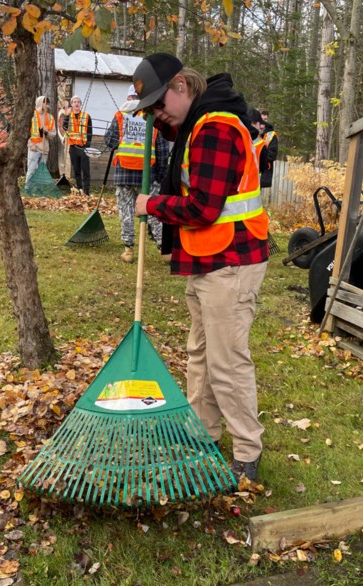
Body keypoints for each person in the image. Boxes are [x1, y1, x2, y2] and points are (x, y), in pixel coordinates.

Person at [132, 53, 270, 482]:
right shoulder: (196, 125)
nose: (157, 115)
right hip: (207, 260)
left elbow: (204, 208)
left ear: (181, 86)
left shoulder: (216, 129)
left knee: (226, 363)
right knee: (201, 355)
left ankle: (247, 451)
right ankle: (203, 433)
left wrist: (151, 204)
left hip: (231, 261)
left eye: (159, 105)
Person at [104, 86, 169, 264]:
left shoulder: (121, 115)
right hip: (148, 173)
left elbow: (109, 141)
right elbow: (163, 150)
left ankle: (128, 250)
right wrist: (161, 175)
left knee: (126, 211)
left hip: (124, 173)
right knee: (154, 211)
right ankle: (164, 250)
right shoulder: (153, 117)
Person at [62, 96, 92, 194]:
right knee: (76, 170)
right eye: (74, 102)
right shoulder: (68, 116)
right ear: (72, 104)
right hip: (73, 147)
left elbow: (89, 131)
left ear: (80, 104)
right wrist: (66, 115)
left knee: (85, 169)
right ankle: (79, 188)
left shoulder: (86, 116)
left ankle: (86, 190)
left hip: (83, 147)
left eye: (78, 102)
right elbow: (64, 127)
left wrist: (88, 145)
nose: (76, 103)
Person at [26, 95, 56, 187]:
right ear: (40, 103)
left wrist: (47, 133)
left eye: (48, 103)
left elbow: (53, 133)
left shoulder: (50, 117)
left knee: (40, 171)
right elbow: (26, 132)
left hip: (44, 148)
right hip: (34, 147)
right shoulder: (31, 115)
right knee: (31, 170)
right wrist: (31, 144)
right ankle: (28, 189)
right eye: (45, 103)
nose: (47, 105)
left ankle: (37, 190)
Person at [259, 109, 278, 190]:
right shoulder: (250, 131)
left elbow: (272, 154)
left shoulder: (271, 134)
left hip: (263, 169)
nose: (264, 121)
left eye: (265, 119)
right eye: (262, 119)